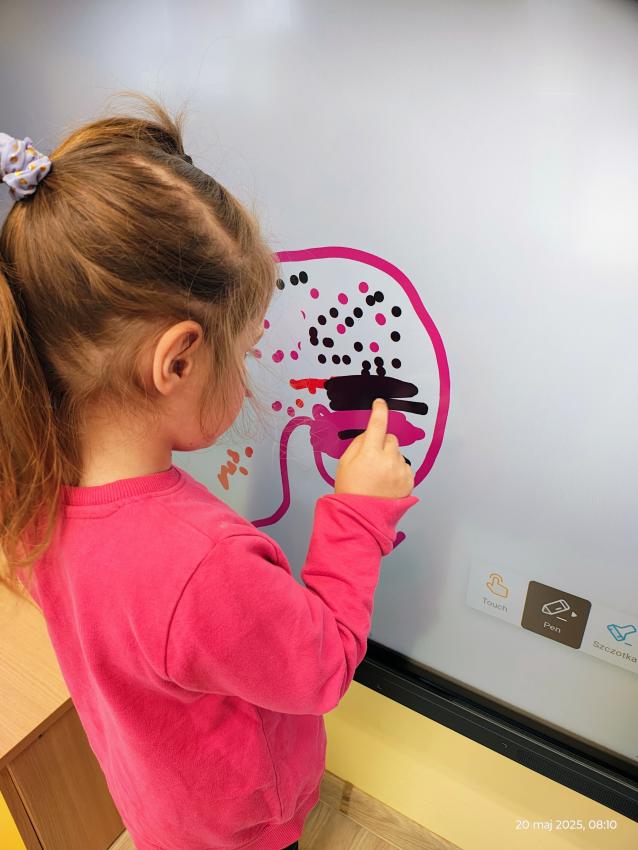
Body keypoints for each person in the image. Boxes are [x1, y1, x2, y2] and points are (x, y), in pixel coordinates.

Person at [0, 93, 418, 850]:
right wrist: (359, 514)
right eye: (247, 351)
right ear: (179, 361)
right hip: (239, 830)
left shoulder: (31, 486)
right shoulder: (201, 564)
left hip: (156, 805)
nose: (251, 374)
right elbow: (322, 668)